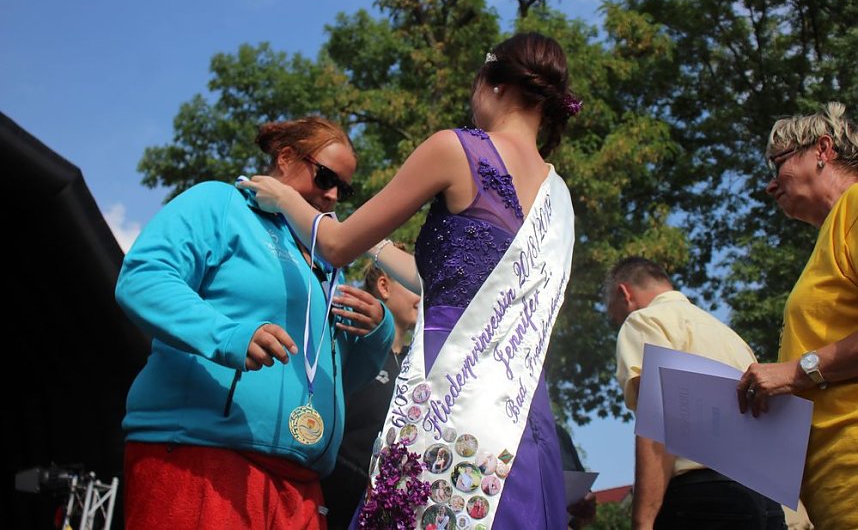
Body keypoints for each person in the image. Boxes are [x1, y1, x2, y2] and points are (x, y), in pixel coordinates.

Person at [241, 31, 579, 528]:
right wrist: (378, 246)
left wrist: (285, 199)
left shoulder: (458, 149)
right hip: (519, 411)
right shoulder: (560, 198)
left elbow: (335, 247)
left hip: (445, 388)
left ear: (496, 84)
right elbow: (448, 282)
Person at [115, 117, 395, 529]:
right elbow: (143, 278)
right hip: (201, 458)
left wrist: (377, 332)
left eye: (345, 188)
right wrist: (228, 335)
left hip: (300, 487)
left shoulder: (324, 258)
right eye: (325, 177)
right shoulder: (220, 204)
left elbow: (332, 379)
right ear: (284, 158)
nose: (333, 195)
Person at [736, 102, 858, 529]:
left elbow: (802, 371)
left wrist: (797, 372)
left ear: (822, 149)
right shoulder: (831, 234)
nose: (770, 186)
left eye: (777, 164)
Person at [605, 257, 786, 529]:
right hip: (764, 500)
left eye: (616, 315)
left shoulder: (644, 322)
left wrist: (643, 521)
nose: (620, 321)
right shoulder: (730, 336)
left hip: (700, 500)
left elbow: (659, 419)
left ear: (624, 293)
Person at [321, 244, 420, 529]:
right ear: (384, 286)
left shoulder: (416, 367)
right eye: (415, 284)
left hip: (377, 511)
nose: (423, 295)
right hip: (332, 500)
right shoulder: (354, 346)